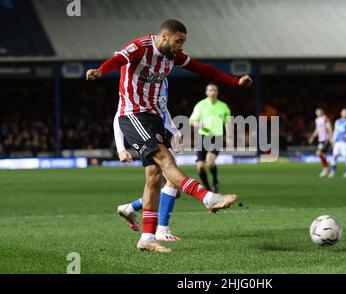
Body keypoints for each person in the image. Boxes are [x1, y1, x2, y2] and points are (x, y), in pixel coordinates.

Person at [86, 19, 253, 252]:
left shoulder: (171, 56)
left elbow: (202, 68)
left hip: (154, 117)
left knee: (154, 177)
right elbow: (118, 60)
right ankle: (207, 197)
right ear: (164, 36)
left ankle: (147, 238)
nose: (181, 47)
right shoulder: (140, 47)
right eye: (178, 41)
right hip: (133, 113)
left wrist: (234, 81)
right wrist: (101, 70)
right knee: (166, 160)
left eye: (183, 42)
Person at [115, 79, 183, 241]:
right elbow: (120, 114)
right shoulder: (136, 79)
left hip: (159, 131)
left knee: (175, 190)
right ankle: (162, 229)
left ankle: (130, 208)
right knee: (173, 181)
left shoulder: (162, 78)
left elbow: (163, 109)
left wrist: (175, 131)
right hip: (144, 130)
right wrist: (121, 149)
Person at [189, 83, 232, 193]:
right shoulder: (200, 105)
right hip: (202, 137)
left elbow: (227, 122)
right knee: (200, 167)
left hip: (217, 137)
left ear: (217, 92)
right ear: (206, 92)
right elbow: (192, 120)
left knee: (210, 161)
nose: (213, 92)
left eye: (215, 90)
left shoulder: (223, 106)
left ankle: (215, 182)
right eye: (210, 90)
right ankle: (207, 188)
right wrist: (199, 125)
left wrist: (229, 136)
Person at [329, 108, 346, 178]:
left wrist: (345, 136)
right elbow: (335, 131)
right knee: (334, 156)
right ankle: (332, 171)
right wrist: (333, 140)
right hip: (338, 142)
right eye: (343, 112)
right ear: (341, 113)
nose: (344, 113)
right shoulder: (337, 121)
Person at [308, 108, 333, 177]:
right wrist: (312, 137)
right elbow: (317, 129)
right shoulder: (317, 120)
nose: (318, 113)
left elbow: (330, 128)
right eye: (317, 112)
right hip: (320, 139)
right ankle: (327, 166)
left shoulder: (326, 119)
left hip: (326, 139)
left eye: (319, 112)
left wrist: (330, 138)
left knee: (319, 153)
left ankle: (325, 169)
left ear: (322, 112)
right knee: (322, 154)